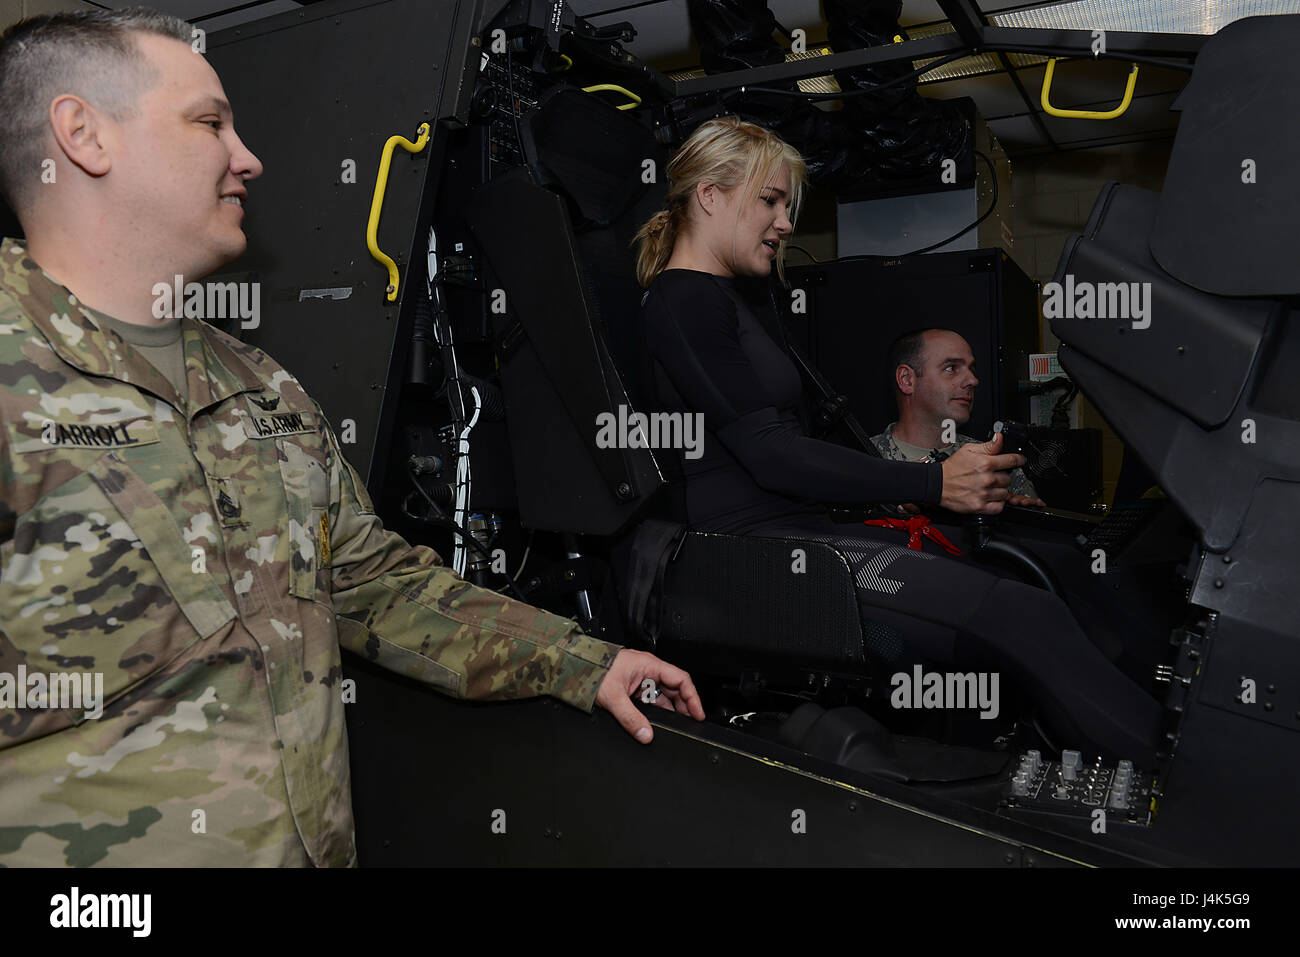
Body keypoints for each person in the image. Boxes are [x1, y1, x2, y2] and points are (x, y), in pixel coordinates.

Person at [0, 8, 702, 867]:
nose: (247, 155)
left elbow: (370, 582)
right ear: (83, 136)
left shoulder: (257, 382)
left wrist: (578, 661)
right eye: (210, 122)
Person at [633, 115, 1163, 765]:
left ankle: (1143, 736)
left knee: (1053, 571)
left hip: (803, 533)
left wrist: (943, 490)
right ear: (710, 196)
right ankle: (1175, 783)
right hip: (753, 556)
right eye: (770, 200)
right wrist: (935, 482)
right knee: (1018, 616)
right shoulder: (681, 299)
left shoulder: (731, 298)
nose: (785, 221)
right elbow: (772, 454)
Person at [871, 328, 1044, 506]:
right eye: (951, 368)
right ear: (907, 380)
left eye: (971, 369)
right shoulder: (865, 464)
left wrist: (1010, 520)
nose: (973, 380)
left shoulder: (992, 465)